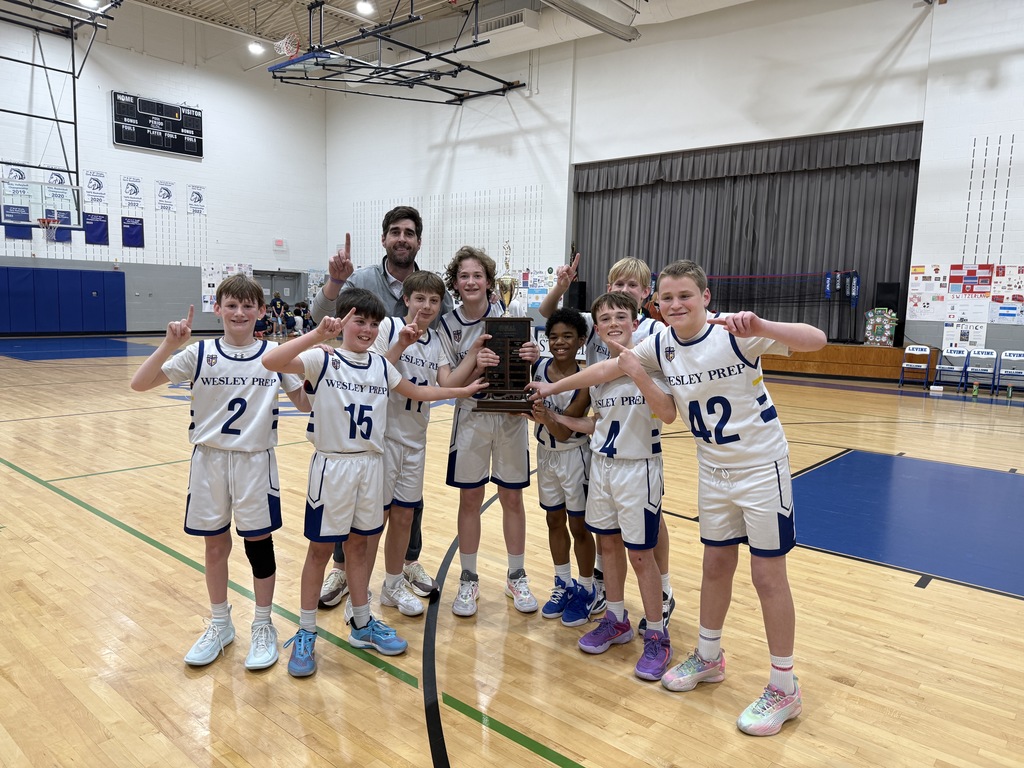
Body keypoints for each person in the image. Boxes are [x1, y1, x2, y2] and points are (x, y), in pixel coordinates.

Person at [536, 259, 827, 736]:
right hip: (713, 473)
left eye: (685, 296)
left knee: (767, 576)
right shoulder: (662, 344)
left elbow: (815, 339)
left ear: (705, 297)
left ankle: (784, 685)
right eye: (667, 298)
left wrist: (762, 324)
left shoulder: (734, 334)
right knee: (715, 566)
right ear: (657, 304)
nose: (675, 305)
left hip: (760, 470)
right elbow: (609, 367)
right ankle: (709, 656)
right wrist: (553, 385)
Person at [261, 288, 487, 677]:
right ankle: (306, 630)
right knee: (319, 553)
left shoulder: (382, 366)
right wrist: (317, 334)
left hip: (371, 466)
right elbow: (271, 359)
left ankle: (362, 623)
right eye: (357, 321)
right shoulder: (323, 358)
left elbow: (418, 391)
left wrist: (460, 392)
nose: (365, 329)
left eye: (371, 323)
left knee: (362, 547)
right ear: (343, 322)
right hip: (332, 466)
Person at [129, 275, 310, 671]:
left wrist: (322, 365)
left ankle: (263, 624)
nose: (240, 313)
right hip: (209, 459)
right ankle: (220, 623)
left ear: (262, 311)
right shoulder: (199, 353)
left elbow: (306, 404)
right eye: (232, 305)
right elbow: (139, 383)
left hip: (255, 460)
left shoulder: (274, 356)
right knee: (214, 545)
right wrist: (168, 345)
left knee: (259, 544)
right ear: (219, 308)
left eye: (248, 306)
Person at [311, 207, 454, 609]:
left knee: (407, 510)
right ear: (385, 239)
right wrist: (336, 281)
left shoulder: (429, 291)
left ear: (419, 242)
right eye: (395, 232)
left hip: (411, 424)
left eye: (410, 233)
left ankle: (402, 570)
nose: (402, 238)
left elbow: (441, 366)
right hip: (368, 424)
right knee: (362, 512)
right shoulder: (361, 280)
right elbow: (322, 320)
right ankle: (343, 572)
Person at [530, 293, 677, 681]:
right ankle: (616, 618)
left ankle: (658, 636)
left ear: (635, 322)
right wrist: (555, 417)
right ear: (597, 328)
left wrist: (637, 372)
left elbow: (668, 413)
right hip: (603, 468)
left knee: (641, 555)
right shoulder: (598, 371)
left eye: (620, 316)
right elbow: (598, 422)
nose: (613, 322)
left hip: (639, 469)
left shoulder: (651, 360)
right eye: (606, 317)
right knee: (607, 545)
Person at [356, 271, 487, 620]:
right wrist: (401, 342)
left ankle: (393, 584)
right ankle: (360, 596)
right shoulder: (388, 326)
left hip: (416, 440)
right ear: (407, 300)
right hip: (383, 440)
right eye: (419, 299)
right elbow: (375, 371)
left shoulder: (437, 342)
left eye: (433, 300)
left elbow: (448, 381)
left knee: (403, 517)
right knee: (375, 521)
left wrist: (473, 353)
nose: (426, 306)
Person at [439, 246, 541, 617]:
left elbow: (531, 365)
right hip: (470, 417)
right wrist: (474, 359)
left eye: (477, 275)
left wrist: (533, 354)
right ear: (455, 282)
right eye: (464, 276)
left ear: (488, 282)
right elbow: (447, 382)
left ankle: (516, 574)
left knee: (512, 497)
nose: (471, 282)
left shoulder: (511, 317)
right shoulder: (447, 325)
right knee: (470, 499)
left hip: (510, 417)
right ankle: (469, 578)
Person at [528, 307, 603, 627]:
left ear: (581, 340)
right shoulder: (538, 368)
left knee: (579, 527)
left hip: (575, 458)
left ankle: (586, 589)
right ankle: (562, 583)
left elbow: (563, 430)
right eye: (554, 337)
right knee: (553, 520)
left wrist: (545, 415)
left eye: (567, 337)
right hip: (545, 456)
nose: (559, 342)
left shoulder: (585, 380)